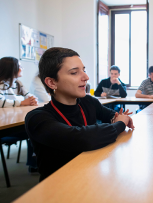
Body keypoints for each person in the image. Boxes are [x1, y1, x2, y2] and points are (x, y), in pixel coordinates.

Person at [25, 47, 134, 181]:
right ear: (52, 82)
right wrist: (120, 124)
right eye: (75, 72)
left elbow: (111, 115)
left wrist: (116, 119)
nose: (86, 77)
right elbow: (81, 138)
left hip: (92, 176)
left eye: (84, 70)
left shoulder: (88, 102)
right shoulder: (37, 118)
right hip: (59, 187)